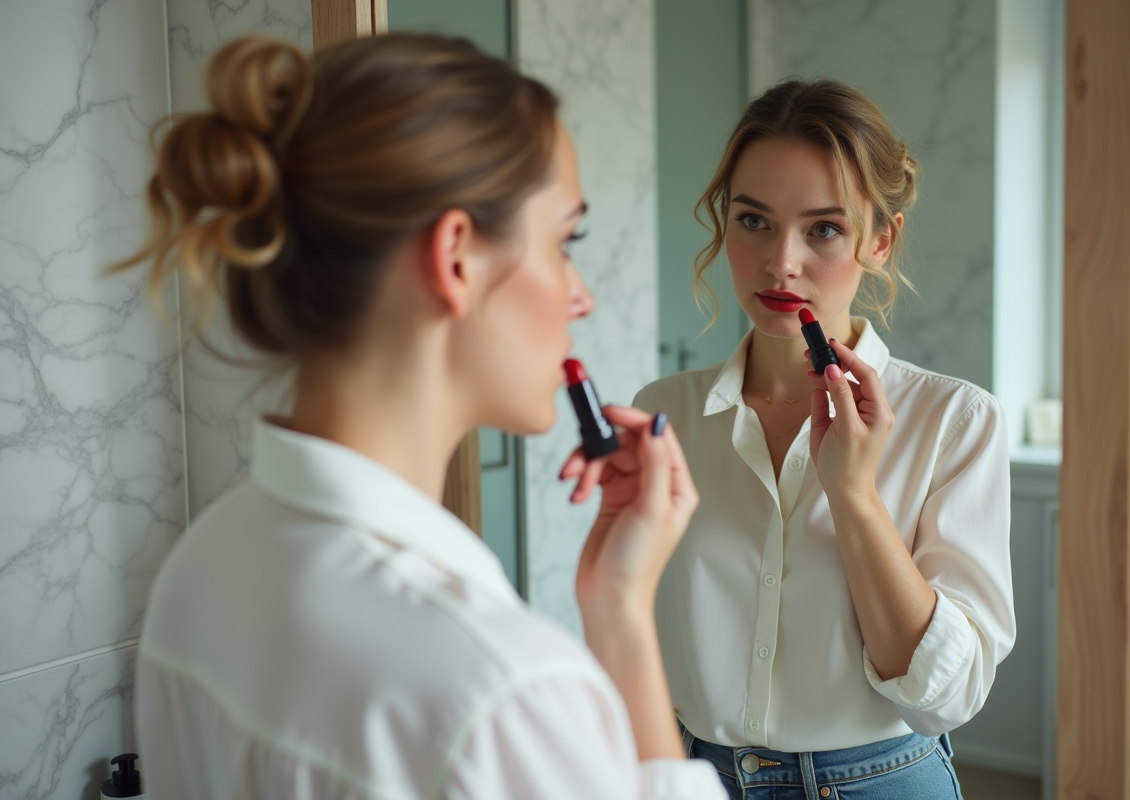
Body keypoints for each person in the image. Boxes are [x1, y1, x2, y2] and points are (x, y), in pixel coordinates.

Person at [115, 33, 726, 800]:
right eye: (565, 241)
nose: (582, 296)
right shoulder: (503, 695)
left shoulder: (200, 568)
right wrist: (625, 623)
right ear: (457, 258)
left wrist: (618, 598)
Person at [624, 79, 1017, 798]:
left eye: (824, 229)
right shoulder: (663, 413)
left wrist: (854, 495)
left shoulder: (955, 421)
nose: (781, 261)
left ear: (880, 239)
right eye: (753, 220)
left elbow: (948, 698)